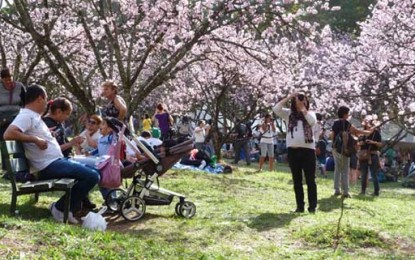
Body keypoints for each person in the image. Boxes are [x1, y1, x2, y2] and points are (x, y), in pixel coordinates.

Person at [3, 84, 100, 224]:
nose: (48, 103)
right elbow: (8, 133)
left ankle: (69, 208)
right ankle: (60, 208)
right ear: (40, 99)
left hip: (55, 161)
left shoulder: (34, 116)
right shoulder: (26, 115)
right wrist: (35, 139)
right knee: (92, 176)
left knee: (94, 171)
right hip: (47, 166)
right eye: (46, 99)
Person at [273, 92, 317, 213]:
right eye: (299, 99)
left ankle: (312, 206)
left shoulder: (310, 113)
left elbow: (312, 121)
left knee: (310, 180)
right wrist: (289, 97)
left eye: (304, 100)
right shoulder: (289, 114)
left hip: (308, 150)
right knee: (297, 180)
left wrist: (303, 109)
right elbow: (276, 109)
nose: (301, 101)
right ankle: (300, 206)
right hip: (293, 150)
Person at [331, 106, 372, 198]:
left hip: (335, 148)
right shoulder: (346, 123)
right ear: (345, 114)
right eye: (348, 113)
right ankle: (345, 191)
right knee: (345, 169)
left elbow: (333, 135)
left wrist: (333, 146)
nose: (348, 115)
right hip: (344, 149)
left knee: (337, 169)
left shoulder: (335, 123)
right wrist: (368, 132)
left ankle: (337, 189)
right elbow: (357, 131)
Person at [0, 68, 26, 170]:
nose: (8, 82)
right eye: (6, 80)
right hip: (2, 116)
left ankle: (19, 166)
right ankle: (6, 167)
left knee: (18, 139)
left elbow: (25, 102)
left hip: (17, 115)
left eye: (10, 79)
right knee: (3, 139)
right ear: (2, 79)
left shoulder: (20, 87)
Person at [359, 119, 382, 196]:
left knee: (373, 174)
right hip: (364, 155)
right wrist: (360, 143)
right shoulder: (363, 133)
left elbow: (380, 144)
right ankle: (363, 191)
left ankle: (376, 191)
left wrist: (373, 142)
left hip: (373, 155)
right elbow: (358, 143)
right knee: (363, 174)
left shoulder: (376, 133)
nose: (367, 125)